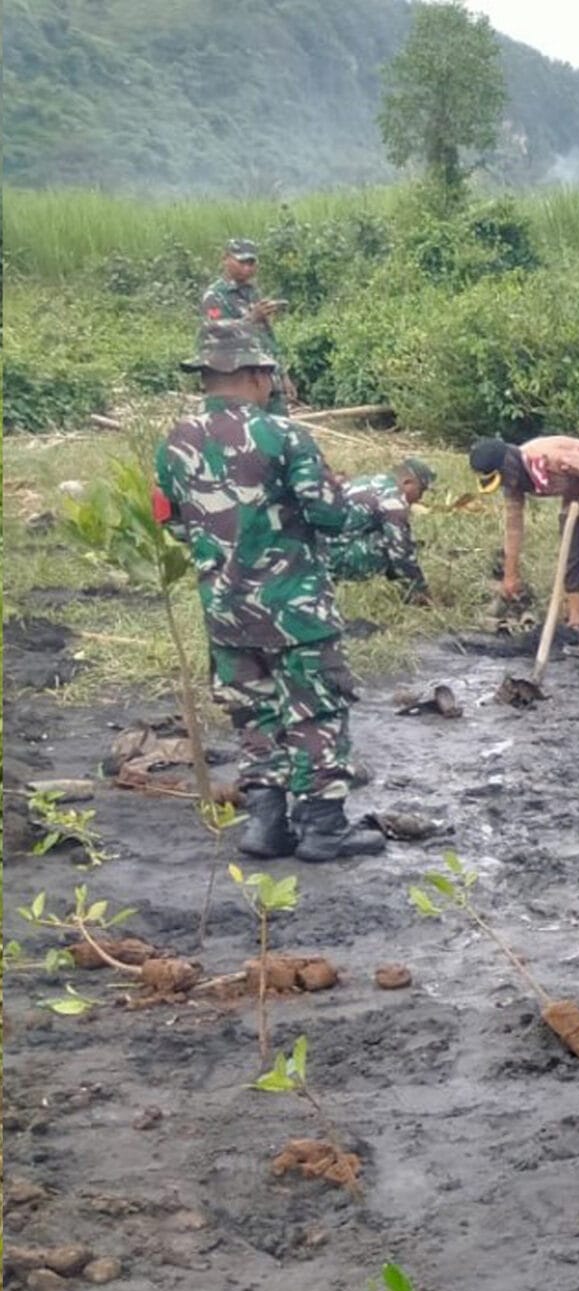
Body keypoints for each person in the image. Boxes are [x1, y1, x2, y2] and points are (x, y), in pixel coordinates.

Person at [153, 319, 384, 862]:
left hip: (225, 610)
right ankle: (324, 828)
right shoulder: (284, 434)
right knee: (316, 712)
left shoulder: (176, 441)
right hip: (294, 608)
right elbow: (329, 515)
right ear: (258, 375)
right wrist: (368, 506)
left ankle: (266, 825)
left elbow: (173, 521)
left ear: (206, 376)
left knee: (254, 716)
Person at [471, 434, 579, 635]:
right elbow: (513, 528)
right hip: (574, 493)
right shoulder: (513, 483)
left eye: (503, 479)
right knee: (573, 557)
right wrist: (510, 575)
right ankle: (577, 625)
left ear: (509, 466)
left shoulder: (555, 459)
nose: (505, 484)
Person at [321, 457, 435, 603]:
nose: (419, 498)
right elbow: (401, 552)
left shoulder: (367, 481)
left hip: (317, 553)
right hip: (334, 560)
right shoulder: (393, 502)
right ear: (408, 482)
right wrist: (421, 589)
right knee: (396, 543)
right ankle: (412, 596)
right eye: (421, 490)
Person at [199, 238, 293, 412]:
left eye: (251, 263)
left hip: (267, 380)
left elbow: (267, 336)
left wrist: (282, 374)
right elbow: (216, 335)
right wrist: (251, 318)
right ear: (225, 259)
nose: (247, 268)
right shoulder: (215, 296)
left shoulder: (252, 292)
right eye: (241, 262)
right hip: (239, 383)